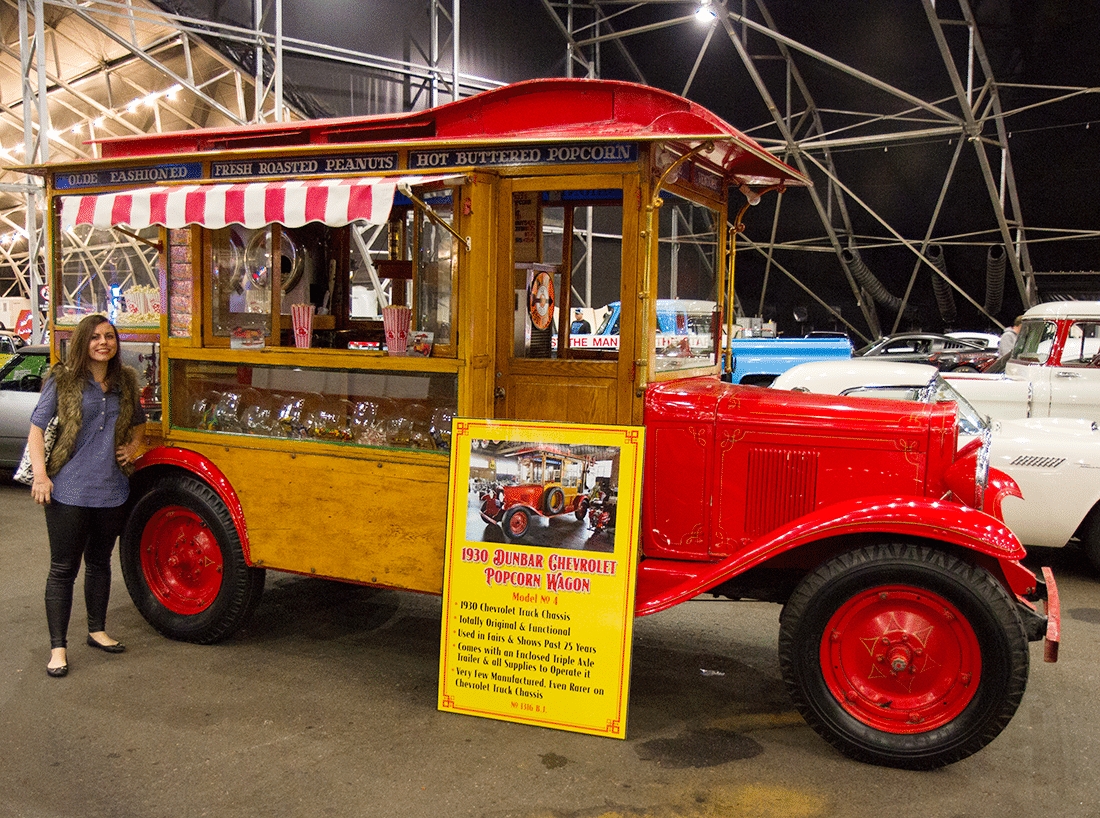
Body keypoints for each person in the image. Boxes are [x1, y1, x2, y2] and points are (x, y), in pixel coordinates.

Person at [26, 314, 146, 678]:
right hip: (69, 491)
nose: (103, 342)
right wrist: (42, 477)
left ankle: (97, 630)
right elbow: (36, 429)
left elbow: (140, 422)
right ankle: (58, 648)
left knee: (99, 564)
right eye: (95, 337)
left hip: (112, 489)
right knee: (63, 570)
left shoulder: (124, 381)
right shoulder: (63, 380)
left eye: (109, 336)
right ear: (83, 342)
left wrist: (134, 446)